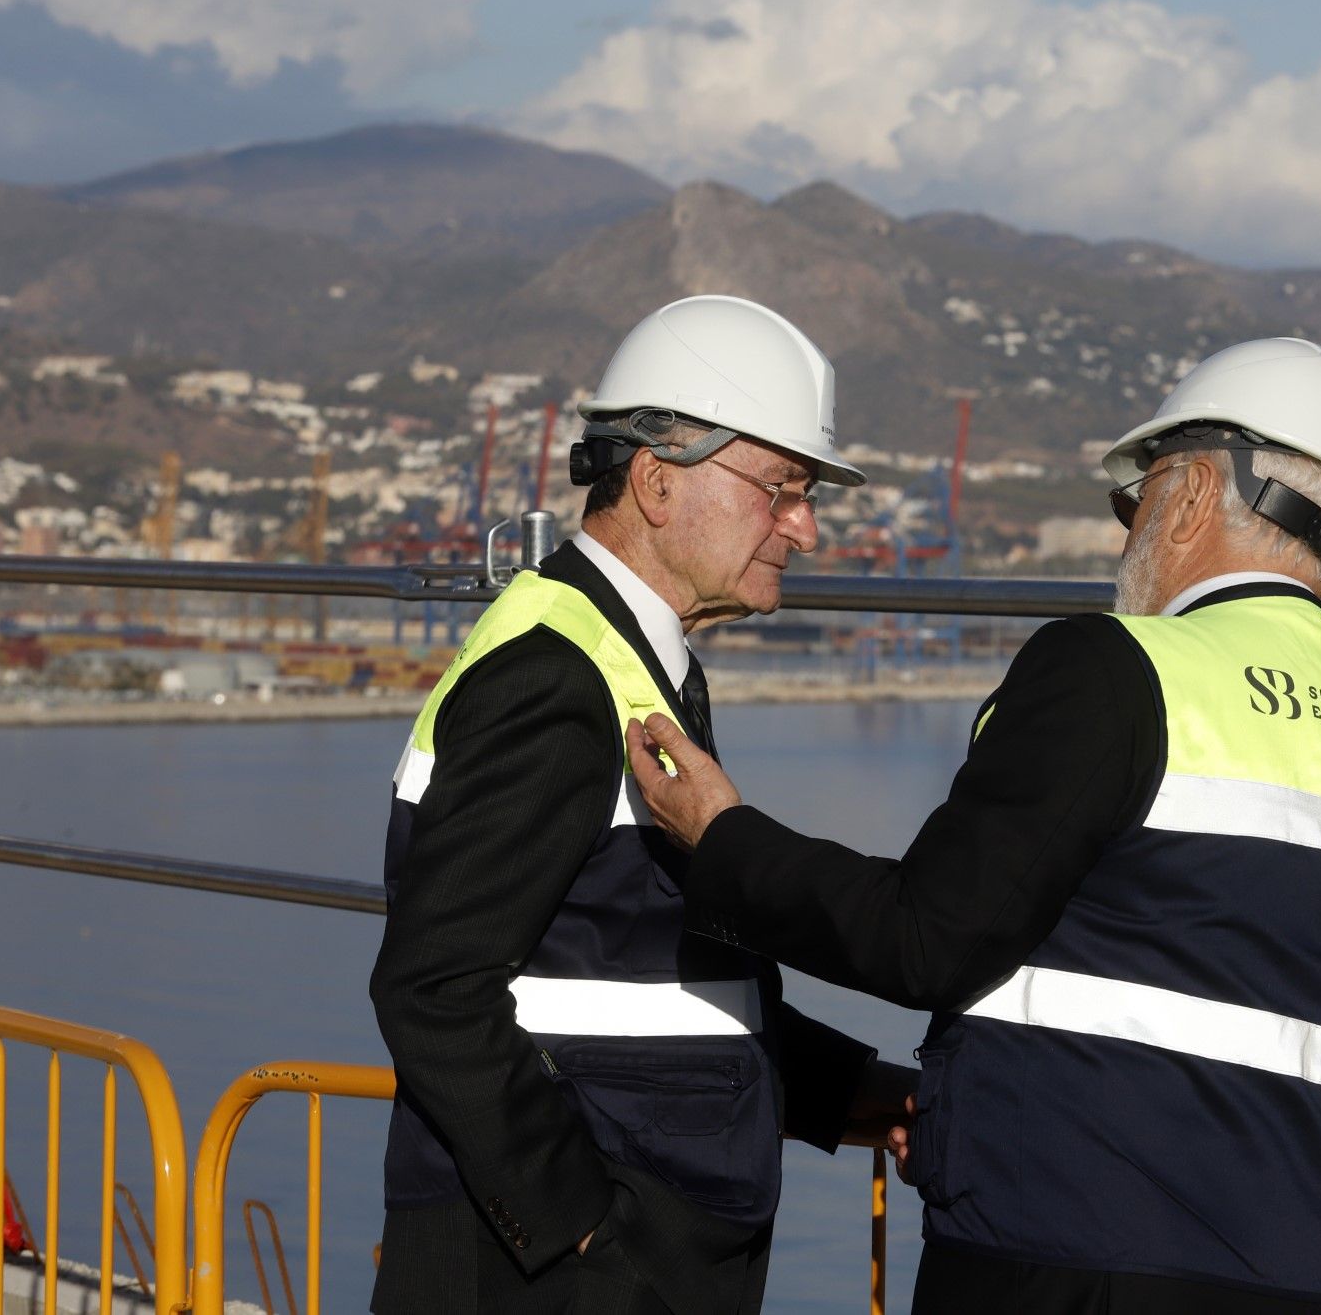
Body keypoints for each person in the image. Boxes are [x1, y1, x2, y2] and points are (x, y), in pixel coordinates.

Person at [628, 338, 1321, 1315]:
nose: (1124, 536)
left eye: (1130, 502)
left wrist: (721, 836)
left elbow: (924, 940)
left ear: (1187, 495)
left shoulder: (1115, 670)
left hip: (1067, 1259)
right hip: (1319, 1275)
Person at [369, 294, 914, 1315]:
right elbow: (432, 986)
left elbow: (649, 965)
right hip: (565, 1268)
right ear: (659, 481)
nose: (803, 524)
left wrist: (857, 1092)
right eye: (781, 489)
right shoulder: (554, 678)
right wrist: (584, 1232)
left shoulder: (619, 659)